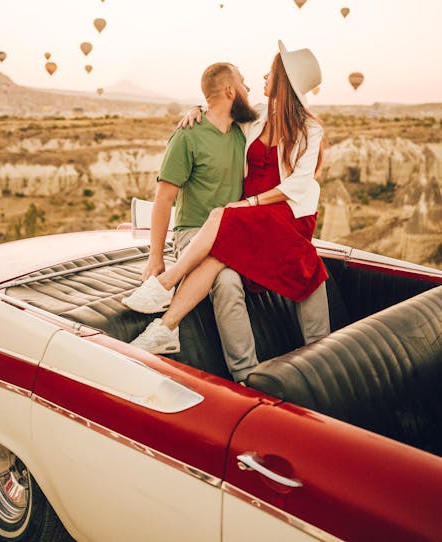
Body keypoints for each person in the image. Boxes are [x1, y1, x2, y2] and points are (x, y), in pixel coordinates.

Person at [125, 40, 330, 365]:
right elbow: (220, 106)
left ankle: (166, 286)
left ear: (284, 81)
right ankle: (168, 329)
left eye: (270, 72)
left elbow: (299, 184)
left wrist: (249, 205)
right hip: (250, 216)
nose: (262, 77)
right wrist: (197, 108)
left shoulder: (309, 129)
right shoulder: (258, 116)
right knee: (228, 246)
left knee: (228, 218)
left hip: (284, 213)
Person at [124, 61, 261, 383]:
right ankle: (248, 376)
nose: (249, 89)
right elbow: (164, 199)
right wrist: (155, 256)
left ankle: (166, 325)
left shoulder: (245, 132)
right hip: (193, 233)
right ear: (230, 90)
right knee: (226, 280)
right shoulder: (188, 136)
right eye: (243, 83)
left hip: (233, 232)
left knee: (227, 265)